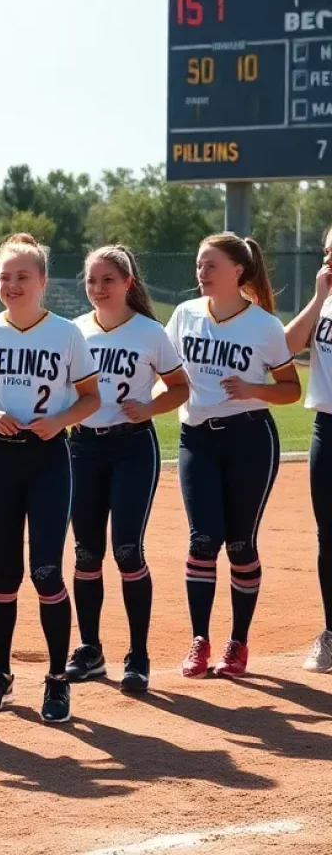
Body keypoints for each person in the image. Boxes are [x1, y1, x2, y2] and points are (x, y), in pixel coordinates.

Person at [0, 233, 100, 724]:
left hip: (47, 458)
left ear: (43, 281)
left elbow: (90, 398)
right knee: (3, 575)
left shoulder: (65, 333)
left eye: (23, 276)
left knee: (45, 572)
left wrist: (61, 420)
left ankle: (58, 679)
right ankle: (0, 674)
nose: (12, 285)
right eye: (4, 277)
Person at [166, 233, 300, 679]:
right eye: (199, 265)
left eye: (211, 265)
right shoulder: (184, 316)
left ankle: (238, 642)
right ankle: (199, 640)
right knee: (203, 542)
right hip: (197, 439)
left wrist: (253, 389)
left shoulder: (263, 325)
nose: (201, 273)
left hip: (249, 440)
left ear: (238, 271)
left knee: (240, 545)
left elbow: (289, 388)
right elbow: (165, 374)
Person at [66, 246, 188, 693]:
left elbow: (179, 387)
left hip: (133, 447)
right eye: (92, 281)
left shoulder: (150, 332)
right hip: (82, 448)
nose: (98, 289)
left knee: (127, 551)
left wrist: (151, 406)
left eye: (108, 281)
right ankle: (91, 649)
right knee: (85, 553)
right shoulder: (74, 330)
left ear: (128, 284)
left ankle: (138, 654)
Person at [284, 227, 332, 672]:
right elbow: (284, 347)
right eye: (327, 251)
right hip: (328, 429)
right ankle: (331, 634)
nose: (331, 259)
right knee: (328, 537)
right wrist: (318, 299)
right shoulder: (325, 304)